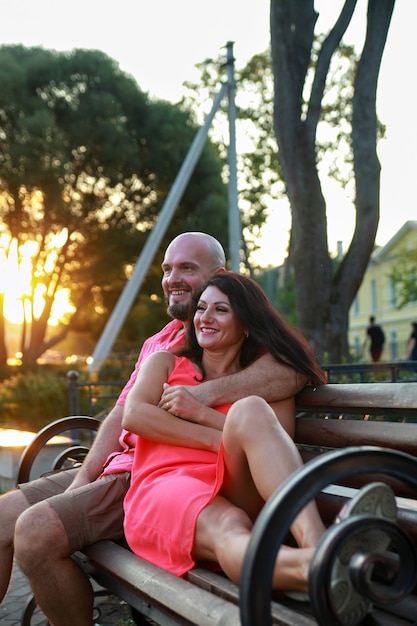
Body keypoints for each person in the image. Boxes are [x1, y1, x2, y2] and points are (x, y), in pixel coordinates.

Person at [3, 232, 309, 626]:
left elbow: (292, 372)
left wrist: (203, 400)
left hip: (151, 475)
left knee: (36, 532)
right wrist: (82, 477)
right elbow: (122, 415)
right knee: (3, 518)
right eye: (167, 269)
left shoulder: (236, 337)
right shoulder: (162, 342)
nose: (172, 278)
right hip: (125, 466)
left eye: (186, 268)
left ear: (219, 275)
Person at [122, 273, 397, 625]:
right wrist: (216, 439)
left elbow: (270, 442)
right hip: (167, 487)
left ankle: (318, 543)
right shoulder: (165, 363)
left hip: (236, 484)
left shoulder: (263, 382)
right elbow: (135, 416)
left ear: (247, 325)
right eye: (201, 308)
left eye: (221, 310)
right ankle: (318, 564)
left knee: (250, 411)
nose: (205, 318)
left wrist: (200, 412)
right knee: (230, 523)